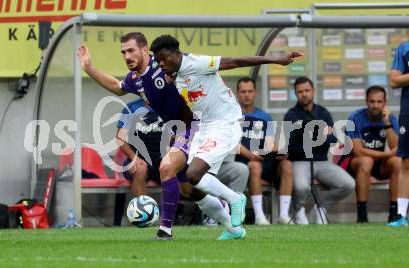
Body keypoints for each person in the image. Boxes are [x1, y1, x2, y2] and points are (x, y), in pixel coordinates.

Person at [78, 32, 233, 240]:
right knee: (191, 189)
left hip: (197, 126)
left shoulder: (164, 66)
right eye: (123, 52)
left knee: (169, 169)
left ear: (144, 50)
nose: (127, 56)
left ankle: (166, 231)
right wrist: (89, 68)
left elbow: (194, 68)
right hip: (179, 131)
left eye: (131, 50)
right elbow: (117, 87)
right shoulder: (135, 79)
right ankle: (230, 220)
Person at [150, 34, 301, 239]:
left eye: (164, 58)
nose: (161, 64)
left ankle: (235, 199)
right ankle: (234, 229)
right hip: (203, 128)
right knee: (195, 190)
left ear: (177, 54)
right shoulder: (177, 77)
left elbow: (237, 61)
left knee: (194, 175)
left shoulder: (199, 63)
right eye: (157, 60)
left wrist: (277, 60)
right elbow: (189, 110)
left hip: (225, 124)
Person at [284, 76, 355, 224]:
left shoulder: (323, 113)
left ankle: (321, 207)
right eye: (300, 91)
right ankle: (300, 211)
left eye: (307, 90)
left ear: (313, 91)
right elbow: (291, 146)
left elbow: (333, 139)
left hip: (322, 161)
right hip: (300, 161)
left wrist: (310, 137)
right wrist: (319, 136)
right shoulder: (291, 114)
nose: (304, 94)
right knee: (301, 186)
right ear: (296, 94)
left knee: (348, 184)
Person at [234, 77, 294, 225]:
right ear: (237, 94)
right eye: (243, 92)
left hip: (263, 161)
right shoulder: (231, 116)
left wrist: (277, 152)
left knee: (287, 165)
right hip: (243, 163)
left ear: (255, 93)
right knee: (255, 166)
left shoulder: (264, 117)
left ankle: (284, 215)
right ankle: (260, 216)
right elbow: (230, 143)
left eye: (250, 91)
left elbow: (269, 144)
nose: (247, 95)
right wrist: (250, 155)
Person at [339, 86, 400, 223]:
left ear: (385, 103)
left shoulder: (390, 118)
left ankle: (394, 214)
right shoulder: (355, 117)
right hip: (354, 163)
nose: (375, 105)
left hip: (377, 163)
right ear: (366, 102)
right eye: (372, 101)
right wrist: (386, 155)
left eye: (379, 102)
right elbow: (358, 151)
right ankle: (362, 216)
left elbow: (395, 148)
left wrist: (388, 125)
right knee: (366, 161)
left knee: (397, 162)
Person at [116, 98, 165, 196]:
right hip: (139, 158)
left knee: (176, 171)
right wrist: (134, 158)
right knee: (140, 170)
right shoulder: (132, 107)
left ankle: (177, 211)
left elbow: (178, 135)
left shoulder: (170, 105)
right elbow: (120, 138)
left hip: (162, 159)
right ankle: (144, 210)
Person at [387, 41, 409, 227]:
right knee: (406, 162)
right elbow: (394, 80)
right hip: (408, 110)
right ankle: (401, 215)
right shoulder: (404, 48)